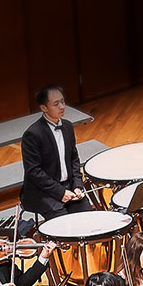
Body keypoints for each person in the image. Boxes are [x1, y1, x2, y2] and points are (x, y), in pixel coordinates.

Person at [21, 85, 90, 219]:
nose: (62, 106)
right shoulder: (32, 134)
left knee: (87, 217)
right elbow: (34, 171)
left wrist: (77, 185)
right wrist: (60, 192)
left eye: (63, 102)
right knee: (64, 224)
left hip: (68, 186)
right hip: (43, 192)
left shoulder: (68, 126)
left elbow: (74, 159)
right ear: (44, 108)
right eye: (56, 103)